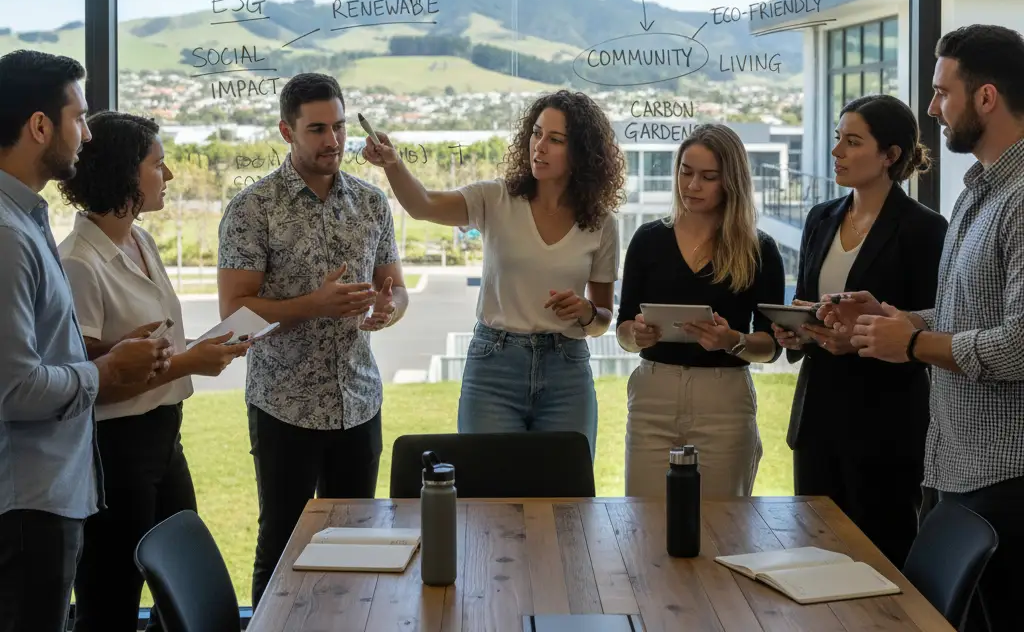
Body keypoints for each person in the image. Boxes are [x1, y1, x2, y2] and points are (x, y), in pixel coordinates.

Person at [822, 25, 1024, 632]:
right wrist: (896, 316)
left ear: (985, 98)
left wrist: (909, 343)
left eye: (942, 93)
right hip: (953, 466)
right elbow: (964, 317)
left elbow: (1019, 344)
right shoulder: (976, 194)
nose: (931, 109)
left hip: (1004, 476)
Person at [217, 73, 407, 607]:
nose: (334, 141)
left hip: (359, 402)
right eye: (318, 129)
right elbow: (235, 317)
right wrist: (312, 306)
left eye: (340, 127)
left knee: (354, 544)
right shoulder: (253, 208)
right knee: (281, 544)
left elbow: (396, 290)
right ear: (286, 130)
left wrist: (388, 309)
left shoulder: (371, 203)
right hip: (285, 406)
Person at [57, 112, 250, 632]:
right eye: (157, 164)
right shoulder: (78, 261)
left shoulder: (140, 241)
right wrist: (189, 362)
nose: (168, 176)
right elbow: (90, 378)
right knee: (111, 597)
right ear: (125, 172)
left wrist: (204, 347)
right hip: (114, 450)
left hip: (165, 438)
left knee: (180, 591)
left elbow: (152, 343)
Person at [0, 51, 171, 632]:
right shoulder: (7, 234)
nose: (88, 133)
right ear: (40, 127)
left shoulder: (25, 217)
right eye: (79, 116)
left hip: (52, 487)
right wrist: (109, 369)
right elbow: (16, 387)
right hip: (27, 500)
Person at [362, 89, 624, 457]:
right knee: (486, 498)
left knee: (566, 499)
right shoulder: (495, 199)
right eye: (536, 134)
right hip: (494, 366)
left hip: (567, 370)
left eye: (555, 139)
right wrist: (392, 163)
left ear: (581, 151)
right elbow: (423, 205)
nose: (540, 146)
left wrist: (585, 312)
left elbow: (601, 320)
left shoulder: (601, 223)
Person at [771, 95, 946, 567]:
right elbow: (811, 303)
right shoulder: (821, 218)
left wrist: (863, 338)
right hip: (818, 417)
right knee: (815, 555)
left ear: (890, 155)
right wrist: (797, 332)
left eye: (852, 142)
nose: (837, 153)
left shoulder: (925, 229)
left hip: (885, 424)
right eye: (837, 140)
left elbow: (933, 321)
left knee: (881, 558)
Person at [615, 123, 785, 498]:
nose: (691, 185)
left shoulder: (759, 249)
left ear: (732, 182)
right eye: (685, 172)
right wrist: (635, 334)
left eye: (708, 177)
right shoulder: (647, 240)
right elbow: (623, 330)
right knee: (644, 521)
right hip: (652, 396)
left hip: (724, 402)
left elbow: (772, 347)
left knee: (723, 527)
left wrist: (733, 341)